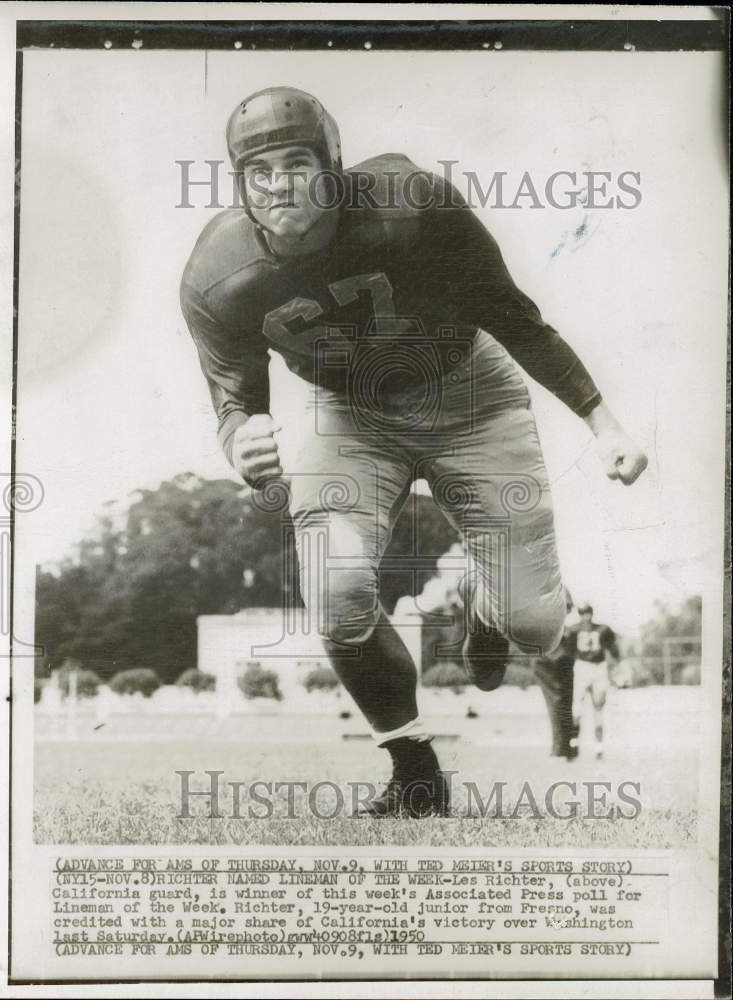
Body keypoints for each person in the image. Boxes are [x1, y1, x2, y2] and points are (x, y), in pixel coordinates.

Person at [180, 87, 647, 817]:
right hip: (352, 415)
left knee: (535, 625)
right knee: (333, 595)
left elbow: (511, 315)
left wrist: (603, 423)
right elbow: (235, 396)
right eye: (259, 171)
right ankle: (413, 770)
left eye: (296, 163)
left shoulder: (412, 205)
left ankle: (486, 614)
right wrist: (241, 440)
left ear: (333, 166)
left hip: (469, 394)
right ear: (239, 185)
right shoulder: (218, 276)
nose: (279, 185)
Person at [569, 602, 620, 759]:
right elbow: (567, 651)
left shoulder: (603, 629)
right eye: (583, 613)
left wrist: (617, 667)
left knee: (598, 707)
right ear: (580, 614)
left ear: (592, 613)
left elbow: (613, 649)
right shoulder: (573, 630)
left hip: (598, 668)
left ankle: (599, 747)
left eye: (588, 612)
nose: (586, 616)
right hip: (582, 667)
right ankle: (574, 743)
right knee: (577, 708)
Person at [534, 589, 579, 759]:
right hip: (549, 656)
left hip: (559, 655)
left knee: (562, 702)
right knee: (559, 703)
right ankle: (562, 746)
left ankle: (564, 746)